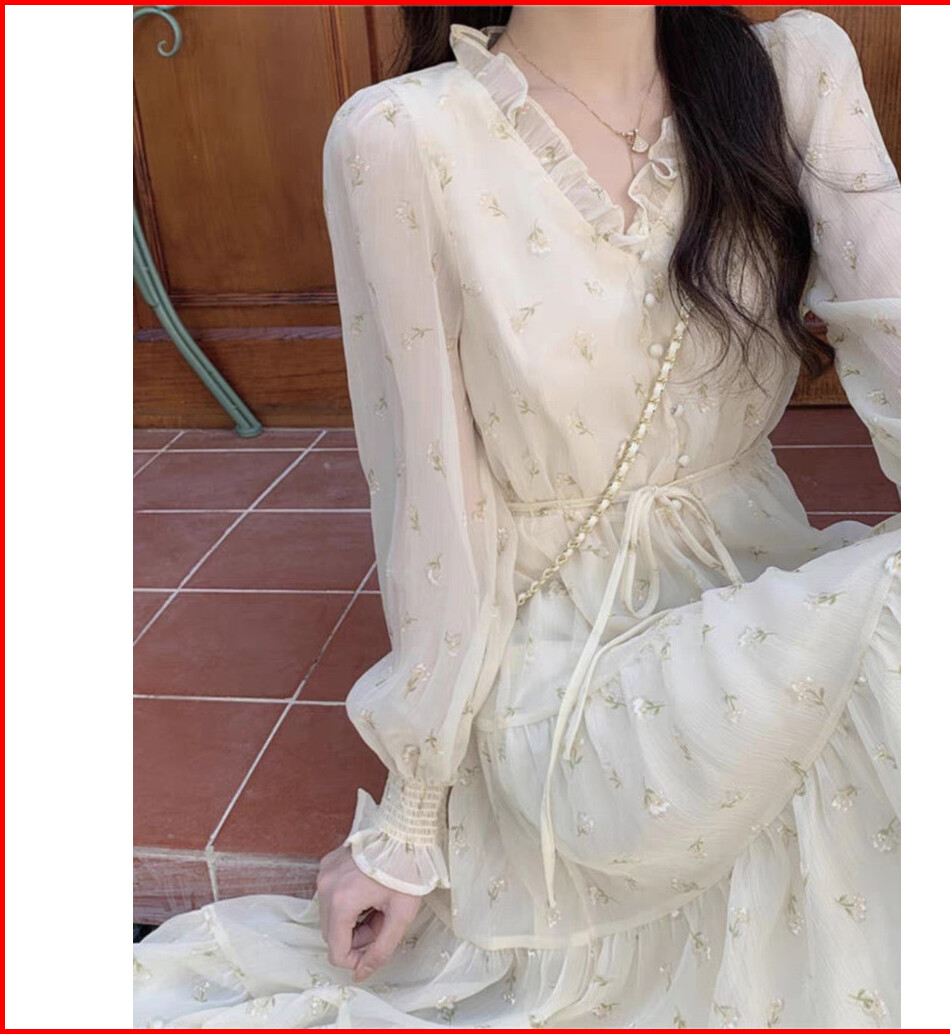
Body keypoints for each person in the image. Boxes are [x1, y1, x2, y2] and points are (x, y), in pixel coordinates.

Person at [133, 6, 901, 1027]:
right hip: (570, 675)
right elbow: (430, 497)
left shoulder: (792, 71)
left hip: (765, 603)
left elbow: (914, 342)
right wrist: (411, 814)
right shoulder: (404, 136)